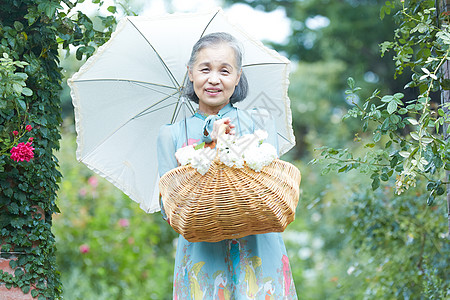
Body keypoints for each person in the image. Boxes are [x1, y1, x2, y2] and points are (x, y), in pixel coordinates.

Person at [157, 32, 297, 299]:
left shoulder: (259, 121)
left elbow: (270, 187)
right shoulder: (171, 134)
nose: (213, 79)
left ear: (238, 76)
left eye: (225, 70)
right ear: (190, 73)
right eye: (205, 69)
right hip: (203, 256)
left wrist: (229, 145)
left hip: (259, 249)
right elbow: (169, 208)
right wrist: (209, 147)